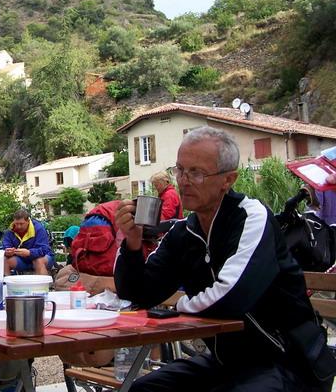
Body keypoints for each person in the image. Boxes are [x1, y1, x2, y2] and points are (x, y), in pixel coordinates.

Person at [114, 126, 334, 391]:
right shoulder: (184, 233)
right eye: (180, 170)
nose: (184, 181)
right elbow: (137, 293)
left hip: (288, 361)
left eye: (196, 173)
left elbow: (232, 297)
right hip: (228, 362)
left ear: (228, 180)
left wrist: (178, 307)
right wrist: (132, 243)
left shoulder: (252, 218)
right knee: (143, 389)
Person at [3, 209, 54, 275]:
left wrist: (29, 253)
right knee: (5, 261)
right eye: (16, 224)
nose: (18, 226)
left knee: (38, 261)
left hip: (43, 257)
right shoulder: (10, 230)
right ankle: (7, 281)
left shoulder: (39, 228)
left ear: (28, 221)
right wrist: (7, 252)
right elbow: (5, 247)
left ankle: (43, 282)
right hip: (22, 260)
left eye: (21, 224)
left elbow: (44, 250)